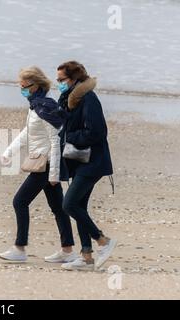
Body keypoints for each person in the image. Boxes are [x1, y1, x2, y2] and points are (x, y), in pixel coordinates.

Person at [0, 66, 78, 263]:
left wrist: (54, 174)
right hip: (42, 161)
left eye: (24, 85)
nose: (22, 89)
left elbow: (55, 141)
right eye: (20, 85)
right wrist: (9, 152)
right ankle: (67, 251)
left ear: (36, 86)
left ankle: (20, 248)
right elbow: (27, 133)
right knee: (59, 207)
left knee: (20, 202)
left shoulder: (46, 107)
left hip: (46, 164)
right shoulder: (36, 106)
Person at [56, 61, 117, 271]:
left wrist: (69, 137)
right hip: (79, 160)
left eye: (61, 80)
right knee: (79, 206)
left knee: (69, 204)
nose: (59, 84)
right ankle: (87, 257)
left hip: (93, 162)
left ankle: (103, 241)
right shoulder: (68, 99)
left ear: (74, 79)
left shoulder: (88, 98)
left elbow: (97, 132)